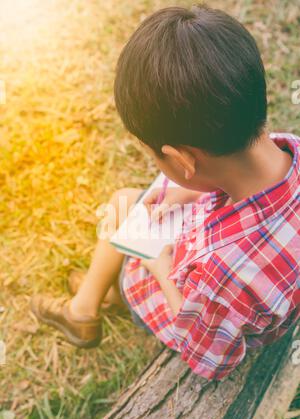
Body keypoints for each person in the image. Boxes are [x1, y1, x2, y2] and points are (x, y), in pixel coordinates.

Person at [31, 4, 299, 380]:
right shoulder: (290, 153)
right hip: (262, 297)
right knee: (139, 203)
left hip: (193, 308)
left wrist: (161, 267)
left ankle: (87, 308)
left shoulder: (221, 275)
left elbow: (208, 356)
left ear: (184, 160)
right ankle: (97, 296)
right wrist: (192, 194)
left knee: (125, 205)